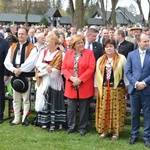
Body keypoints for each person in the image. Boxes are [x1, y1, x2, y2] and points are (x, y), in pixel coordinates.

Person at [62, 34, 95, 136]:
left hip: (84, 85)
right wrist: (71, 78)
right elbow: (64, 68)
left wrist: (80, 79)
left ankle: (82, 127)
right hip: (71, 84)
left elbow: (91, 68)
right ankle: (71, 126)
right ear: (73, 45)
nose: (81, 44)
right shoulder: (68, 53)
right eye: (79, 43)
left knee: (84, 109)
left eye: (82, 42)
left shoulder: (89, 53)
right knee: (71, 109)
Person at [95, 38, 129, 140]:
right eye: (107, 47)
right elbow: (97, 75)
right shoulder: (100, 60)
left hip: (117, 89)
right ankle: (105, 130)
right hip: (104, 88)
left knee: (116, 111)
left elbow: (126, 74)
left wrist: (126, 87)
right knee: (105, 109)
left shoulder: (122, 58)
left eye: (111, 46)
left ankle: (116, 132)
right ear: (104, 48)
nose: (109, 48)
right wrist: (96, 88)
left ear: (114, 47)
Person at [4, 27, 38, 126]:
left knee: (26, 98)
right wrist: (14, 69)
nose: (20, 36)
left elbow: (31, 62)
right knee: (16, 98)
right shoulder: (13, 46)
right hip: (15, 74)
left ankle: (25, 118)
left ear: (27, 35)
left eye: (22, 34)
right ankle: (16, 118)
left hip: (26, 75)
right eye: (19, 34)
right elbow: (7, 61)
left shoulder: (32, 47)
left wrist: (20, 69)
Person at [35, 33, 66, 131]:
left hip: (55, 81)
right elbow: (38, 64)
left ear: (53, 43)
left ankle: (56, 122)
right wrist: (46, 67)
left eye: (47, 41)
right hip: (44, 80)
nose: (46, 43)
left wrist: (50, 70)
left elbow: (59, 69)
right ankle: (45, 121)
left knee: (54, 101)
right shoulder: (44, 52)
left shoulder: (61, 54)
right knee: (45, 99)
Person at [125, 33, 150, 148]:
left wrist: (144, 83)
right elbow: (128, 72)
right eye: (145, 41)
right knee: (134, 114)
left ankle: (146, 137)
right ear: (138, 42)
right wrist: (136, 83)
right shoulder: (131, 55)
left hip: (147, 89)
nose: (147, 43)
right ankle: (134, 135)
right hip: (134, 90)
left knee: (147, 115)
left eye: (148, 41)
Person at [0, 38, 10, 123]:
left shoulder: (4, 43)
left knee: (0, 94)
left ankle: (0, 115)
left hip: (1, 72)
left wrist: (6, 74)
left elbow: (7, 59)